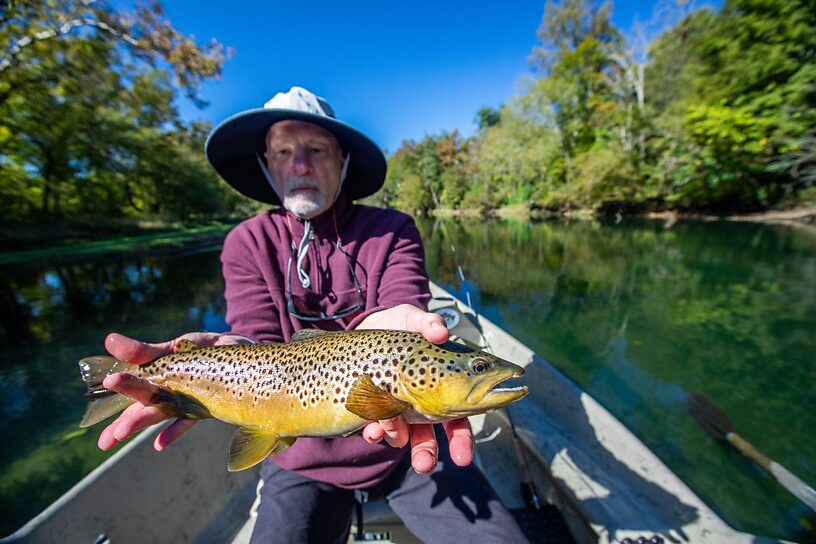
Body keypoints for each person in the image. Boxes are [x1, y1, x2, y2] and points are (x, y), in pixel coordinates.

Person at [96, 86, 527, 543]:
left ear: (342, 160)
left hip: (405, 453)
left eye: (316, 149)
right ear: (266, 164)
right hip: (298, 464)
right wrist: (199, 379)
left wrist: (398, 319)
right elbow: (255, 341)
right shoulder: (246, 242)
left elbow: (403, 306)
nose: (299, 164)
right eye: (283, 151)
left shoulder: (392, 230)